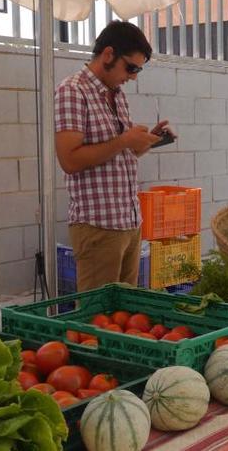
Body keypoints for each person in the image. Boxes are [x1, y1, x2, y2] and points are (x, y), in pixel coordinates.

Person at [55, 21, 176, 291]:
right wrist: (124, 139)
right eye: (131, 68)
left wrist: (149, 140)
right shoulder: (73, 91)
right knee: (96, 318)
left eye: (138, 70)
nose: (133, 77)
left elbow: (122, 154)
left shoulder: (117, 95)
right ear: (108, 55)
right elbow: (70, 160)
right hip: (98, 225)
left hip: (128, 222)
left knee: (125, 316)